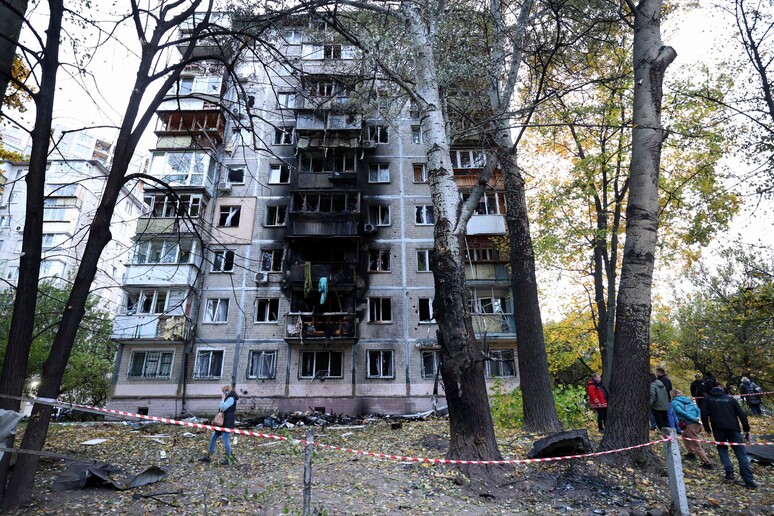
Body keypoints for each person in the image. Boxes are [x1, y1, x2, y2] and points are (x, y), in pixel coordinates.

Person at [700, 385, 757, 489]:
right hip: (734, 429)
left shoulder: (707, 399)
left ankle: (729, 472)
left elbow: (703, 414)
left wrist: (707, 428)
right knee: (741, 454)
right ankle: (749, 481)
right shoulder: (730, 399)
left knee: (722, 449)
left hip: (718, 429)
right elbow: (742, 414)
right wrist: (746, 429)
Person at [670, 389, 713, 469]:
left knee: (696, 444)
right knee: (684, 434)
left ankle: (707, 463)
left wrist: (694, 419)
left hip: (691, 424)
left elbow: (682, 413)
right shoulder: (688, 400)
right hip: (697, 423)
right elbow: (698, 410)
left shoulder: (674, 403)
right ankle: (691, 453)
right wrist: (698, 418)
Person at [200, 385, 239, 465]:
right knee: (213, 437)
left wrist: (222, 399)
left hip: (226, 423)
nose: (223, 393)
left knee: (225, 440)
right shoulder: (229, 398)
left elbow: (222, 407)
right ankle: (209, 456)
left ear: (227, 391)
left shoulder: (231, 398)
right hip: (222, 423)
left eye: (224, 391)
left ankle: (229, 459)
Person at [656, 367, 679, 432]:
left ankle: (672, 429)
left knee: (669, 414)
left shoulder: (664, 380)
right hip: (667, 399)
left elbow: (666, 390)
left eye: (657, 372)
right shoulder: (665, 379)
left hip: (665, 400)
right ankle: (677, 428)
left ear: (660, 372)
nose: (656, 373)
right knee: (672, 414)